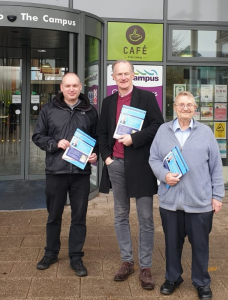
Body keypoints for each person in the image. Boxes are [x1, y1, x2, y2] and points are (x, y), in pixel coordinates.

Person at [149, 91, 224, 299]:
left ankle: (201, 282)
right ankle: (173, 277)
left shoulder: (206, 132)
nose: (185, 108)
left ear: (195, 108)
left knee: (200, 244)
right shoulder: (163, 131)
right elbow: (153, 159)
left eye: (189, 105)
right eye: (181, 104)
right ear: (174, 107)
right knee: (172, 243)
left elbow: (216, 166)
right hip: (170, 201)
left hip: (199, 201)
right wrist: (164, 175)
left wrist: (217, 196)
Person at [97, 60, 164, 290]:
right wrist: (107, 159)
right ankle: (127, 261)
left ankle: (145, 267)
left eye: (127, 73)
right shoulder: (108, 102)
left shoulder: (146, 98)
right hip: (116, 165)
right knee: (120, 215)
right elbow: (102, 132)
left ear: (133, 75)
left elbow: (158, 125)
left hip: (141, 166)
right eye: (119, 74)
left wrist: (134, 139)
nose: (123, 77)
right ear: (113, 77)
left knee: (145, 218)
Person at [32, 72, 99, 277]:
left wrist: (95, 155)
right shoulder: (49, 109)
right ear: (61, 88)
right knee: (54, 216)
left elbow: (96, 138)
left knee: (79, 217)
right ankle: (51, 253)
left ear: (80, 87)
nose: (71, 89)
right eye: (67, 86)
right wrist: (54, 144)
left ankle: (76, 256)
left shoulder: (90, 111)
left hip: (80, 173)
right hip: (56, 171)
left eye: (75, 86)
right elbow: (37, 136)